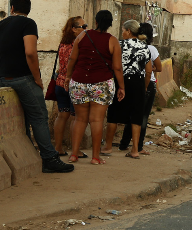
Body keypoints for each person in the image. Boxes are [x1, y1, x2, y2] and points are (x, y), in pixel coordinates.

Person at [0, 0, 74, 173]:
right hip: (22, 77)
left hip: (3, 78)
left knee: (26, 117)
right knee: (38, 116)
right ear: (28, 10)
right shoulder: (28, 24)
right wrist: (37, 78)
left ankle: (30, 152)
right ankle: (49, 158)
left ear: (12, 8)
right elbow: (30, 52)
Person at [64, 10, 125, 165]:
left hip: (78, 82)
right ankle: (96, 157)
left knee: (79, 119)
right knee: (97, 120)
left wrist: (68, 76)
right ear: (110, 24)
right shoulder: (112, 41)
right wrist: (121, 87)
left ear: (96, 21)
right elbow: (117, 68)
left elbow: (72, 58)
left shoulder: (82, 35)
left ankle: (73, 155)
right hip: (102, 83)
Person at [102, 20, 152, 160]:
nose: (122, 32)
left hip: (120, 81)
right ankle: (135, 150)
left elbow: (113, 65)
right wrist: (145, 86)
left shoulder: (119, 44)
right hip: (138, 82)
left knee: (114, 114)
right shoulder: (144, 47)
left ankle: (108, 146)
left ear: (129, 31)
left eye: (123, 30)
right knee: (136, 117)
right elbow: (148, 71)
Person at [118, 22, 162, 156]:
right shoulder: (150, 49)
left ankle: (124, 143)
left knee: (130, 115)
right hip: (145, 85)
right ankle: (138, 147)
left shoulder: (125, 46)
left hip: (129, 83)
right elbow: (158, 68)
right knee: (141, 117)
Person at [53, 16, 89, 159]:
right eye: (83, 26)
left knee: (62, 115)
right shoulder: (78, 44)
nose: (85, 29)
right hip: (74, 84)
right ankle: (76, 150)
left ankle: (58, 148)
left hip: (60, 84)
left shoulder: (62, 44)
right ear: (74, 29)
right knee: (77, 118)